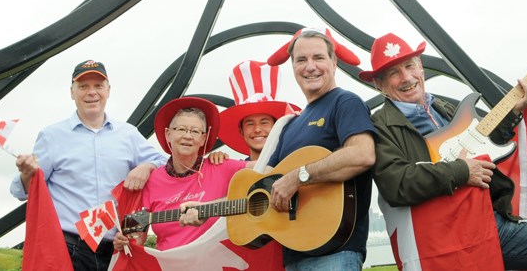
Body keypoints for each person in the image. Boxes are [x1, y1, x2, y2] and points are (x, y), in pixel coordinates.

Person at [364, 33, 527, 271]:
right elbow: (395, 184)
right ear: (380, 84)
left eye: (409, 66)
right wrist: (461, 171)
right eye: (394, 73)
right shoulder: (379, 125)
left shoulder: (446, 109)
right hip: (445, 237)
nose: (406, 77)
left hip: (489, 220)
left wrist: (515, 110)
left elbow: (486, 145)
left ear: (421, 67)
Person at [10, 60, 166, 271]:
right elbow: (22, 190)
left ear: (108, 91)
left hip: (117, 250)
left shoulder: (128, 134)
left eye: (98, 86)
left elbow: (166, 164)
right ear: (72, 92)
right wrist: (27, 173)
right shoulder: (52, 136)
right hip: (69, 251)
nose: (91, 92)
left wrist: (147, 166)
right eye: (83, 86)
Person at [262, 27, 376, 271]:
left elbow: (362, 154)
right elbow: (262, 184)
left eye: (318, 58)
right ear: (292, 67)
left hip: (336, 252)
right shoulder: (290, 125)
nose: (310, 66)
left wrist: (299, 176)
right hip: (294, 253)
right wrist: (206, 210)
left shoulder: (345, 102)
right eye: (301, 60)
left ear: (334, 63)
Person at [113, 96, 251, 252]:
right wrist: (123, 242)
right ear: (168, 134)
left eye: (195, 131)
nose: (188, 136)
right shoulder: (151, 181)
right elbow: (137, 239)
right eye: (181, 129)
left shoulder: (222, 166)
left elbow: (269, 171)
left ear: (203, 139)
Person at [218, 60, 300, 161]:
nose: (257, 129)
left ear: (276, 127)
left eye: (264, 122)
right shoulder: (233, 172)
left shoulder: (295, 166)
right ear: (241, 131)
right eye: (250, 124)